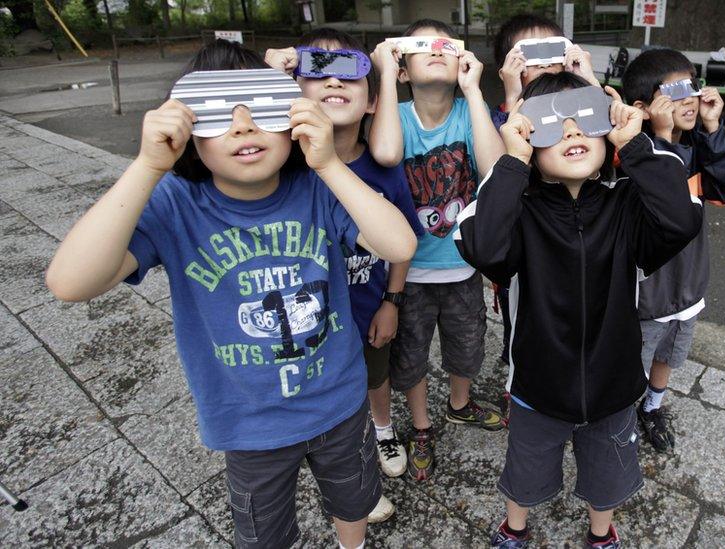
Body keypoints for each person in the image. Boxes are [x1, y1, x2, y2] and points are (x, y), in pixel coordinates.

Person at [45, 40, 417, 549]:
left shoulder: (318, 187)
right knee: (264, 533)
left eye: (260, 108)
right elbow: (70, 283)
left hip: (339, 402)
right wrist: (147, 166)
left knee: (353, 501)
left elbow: (398, 243)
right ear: (186, 127)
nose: (242, 124)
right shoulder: (175, 205)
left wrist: (330, 164)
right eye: (217, 111)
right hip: (248, 422)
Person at [455, 72, 703, 548]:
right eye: (549, 123)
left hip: (614, 383)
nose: (570, 130)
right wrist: (512, 163)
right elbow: (482, 247)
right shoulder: (515, 208)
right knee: (526, 468)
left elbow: (682, 218)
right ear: (526, 134)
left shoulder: (628, 202)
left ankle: (601, 532)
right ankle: (515, 526)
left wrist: (635, 146)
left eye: (584, 117)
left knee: (608, 471)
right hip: (537, 383)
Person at [264, 28, 427, 521]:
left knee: (376, 380)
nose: (334, 81)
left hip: (367, 307)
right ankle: (349, 476)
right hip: (307, 326)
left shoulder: (383, 166)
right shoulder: (281, 166)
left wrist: (391, 302)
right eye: (316, 70)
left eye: (351, 74)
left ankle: (383, 430)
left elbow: (402, 242)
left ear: (373, 100)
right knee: (329, 412)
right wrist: (268, 77)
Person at [367, 19, 507, 481]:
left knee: (468, 348)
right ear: (403, 67)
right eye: (421, 46)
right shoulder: (396, 116)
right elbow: (387, 153)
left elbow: (492, 167)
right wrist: (384, 75)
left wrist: (474, 91)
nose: (436, 51)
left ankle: (460, 403)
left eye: (446, 46)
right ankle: (422, 425)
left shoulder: (471, 112)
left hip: (463, 266)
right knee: (411, 356)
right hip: (407, 273)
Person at [622, 48, 725, 453]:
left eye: (691, 87)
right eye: (672, 92)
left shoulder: (699, 146)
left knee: (670, 355)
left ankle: (653, 407)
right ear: (644, 107)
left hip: (688, 286)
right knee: (633, 362)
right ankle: (622, 416)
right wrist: (659, 138)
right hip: (647, 293)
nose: (688, 100)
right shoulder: (634, 154)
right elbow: (664, 195)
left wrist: (713, 129)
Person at [489, 13, 602, 423]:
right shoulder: (505, 116)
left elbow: (614, 147)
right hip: (528, 249)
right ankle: (517, 381)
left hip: (589, 245)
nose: (549, 64)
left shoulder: (586, 114)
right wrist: (512, 95)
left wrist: (586, 79)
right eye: (530, 56)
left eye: (556, 51)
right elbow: (495, 171)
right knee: (524, 325)